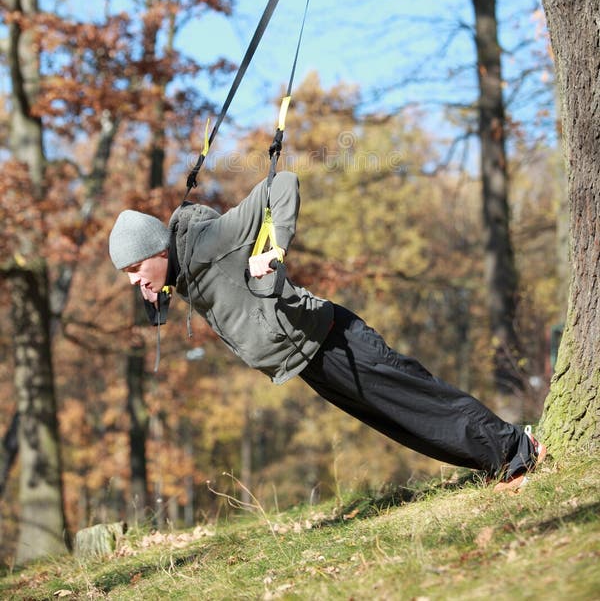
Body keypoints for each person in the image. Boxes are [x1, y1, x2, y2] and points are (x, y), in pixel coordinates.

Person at [109, 171, 546, 491]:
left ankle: (517, 449)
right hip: (308, 360)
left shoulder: (208, 241)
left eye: (134, 268)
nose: (133, 280)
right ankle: (497, 464)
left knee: (417, 400)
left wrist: (275, 249)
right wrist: (156, 290)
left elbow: (280, 185)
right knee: (400, 421)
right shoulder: (181, 272)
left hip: (333, 339)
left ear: (157, 250)